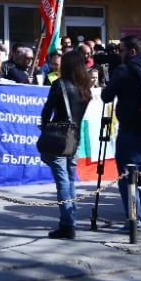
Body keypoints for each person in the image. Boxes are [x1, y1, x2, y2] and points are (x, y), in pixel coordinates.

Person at [101, 35, 141, 230]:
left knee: (128, 177)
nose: (119, 54)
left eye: (122, 50)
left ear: (132, 52)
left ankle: (135, 221)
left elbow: (106, 96)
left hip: (130, 132)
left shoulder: (124, 70)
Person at [38, 50, 92, 240]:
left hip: (59, 137)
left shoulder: (60, 84)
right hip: (74, 138)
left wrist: (44, 128)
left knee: (62, 181)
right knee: (69, 179)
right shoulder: (86, 88)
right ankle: (71, 218)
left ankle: (67, 225)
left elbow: (46, 111)